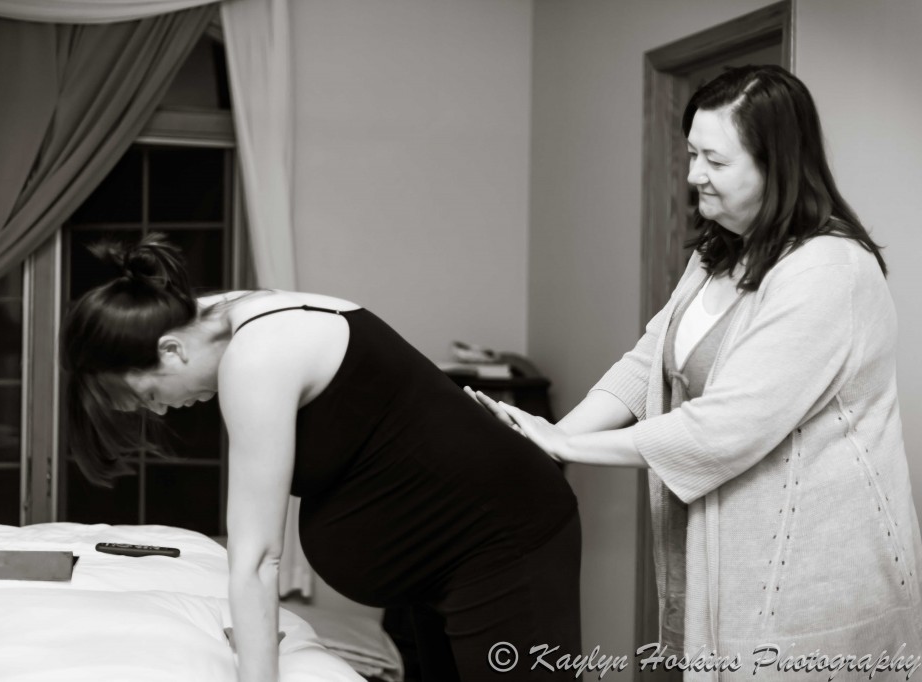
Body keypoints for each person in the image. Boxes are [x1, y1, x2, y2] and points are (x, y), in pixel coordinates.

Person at [472, 65, 922, 676]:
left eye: (714, 159)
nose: (692, 177)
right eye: (690, 154)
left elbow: (726, 427)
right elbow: (648, 362)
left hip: (815, 577)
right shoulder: (720, 252)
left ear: (777, 163)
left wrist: (570, 442)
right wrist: (548, 445)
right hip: (722, 552)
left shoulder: (827, 272)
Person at [61, 234, 580, 682]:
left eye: (150, 395)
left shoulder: (256, 357)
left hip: (501, 538)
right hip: (442, 555)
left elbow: (258, 556)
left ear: (171, 350)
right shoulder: (213, 315)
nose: (162, 410)